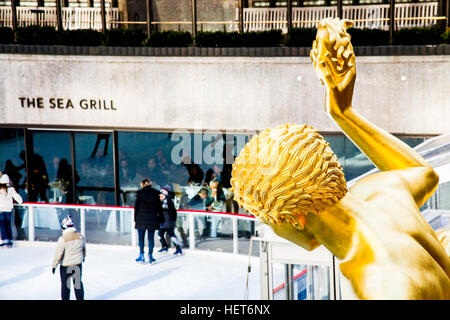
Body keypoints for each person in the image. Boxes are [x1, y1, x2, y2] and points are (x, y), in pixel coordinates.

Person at [230, 18, 450, 299]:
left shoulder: (381, 284)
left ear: (295, 218)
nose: (271, 229)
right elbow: (423, 172)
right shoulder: (381, 193)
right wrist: (343, 112)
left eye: (268, 220)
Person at [51, 215, 86, 300]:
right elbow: (83, 249)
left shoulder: (63, 239)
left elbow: (58, 254)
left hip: (66, 266)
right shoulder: (80, 236)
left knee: (66, 287)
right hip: (77, 265)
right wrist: (83, 258)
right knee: (78, 285)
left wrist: (54, 265)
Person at [134, 178, 163, 264]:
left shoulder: (139, 194)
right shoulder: (156, 193)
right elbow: (159, 208)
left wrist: (136, 219)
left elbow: (136, 208)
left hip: (141, 219)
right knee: (151, 238)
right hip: (152, 219)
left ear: (143, 184)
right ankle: (150, 256)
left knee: (141, 239)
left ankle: (141, 255)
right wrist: (160, 219)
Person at [158, 186, 183, 255]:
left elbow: (173, 212)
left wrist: (172, 221)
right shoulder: (160, 201)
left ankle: (178, 248)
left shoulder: (168, 201)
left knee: (171, 235)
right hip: (162, 221)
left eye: (161, 194)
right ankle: (164, 246)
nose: (160, 196)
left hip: (168, 221)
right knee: (160, 234)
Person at [0, 174, 23, 247]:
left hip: (1, 209)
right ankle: (10, 240)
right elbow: (18, 198)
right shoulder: (11, 190)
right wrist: (20, 202)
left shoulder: (0, 190)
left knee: (3, 226)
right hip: (9, 209)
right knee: (8, 225)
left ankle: (5, 240)